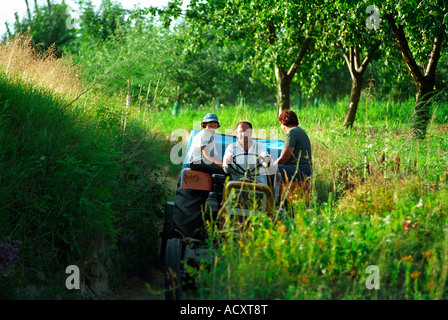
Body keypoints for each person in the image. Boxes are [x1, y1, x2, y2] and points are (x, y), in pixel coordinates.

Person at [273, 110, 312, 181]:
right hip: (306, 171)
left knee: (268, 171)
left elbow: (285, 157)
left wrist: (271, 166)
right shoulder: (299, 130)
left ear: (283, 122)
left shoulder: (291, 132)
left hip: (299, 170)